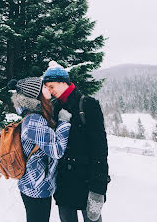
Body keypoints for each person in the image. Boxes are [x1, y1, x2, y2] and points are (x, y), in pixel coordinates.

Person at [42, 61, 110, 222]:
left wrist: (98, 187)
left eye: (51, 86)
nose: (50, 91)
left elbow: (100, 147)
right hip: (64, 181)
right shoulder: (54, 106)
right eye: (47, 88)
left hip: (87, 180)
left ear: (63, 82)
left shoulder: (88, 104)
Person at [7, 77, 71, 222]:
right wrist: (64, 122)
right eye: (44, 88)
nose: (48, 89)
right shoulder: (34, 120)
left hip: (35, 184)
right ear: (35, 95)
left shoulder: (36, 115)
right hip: (36, 187)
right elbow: (57, 150)